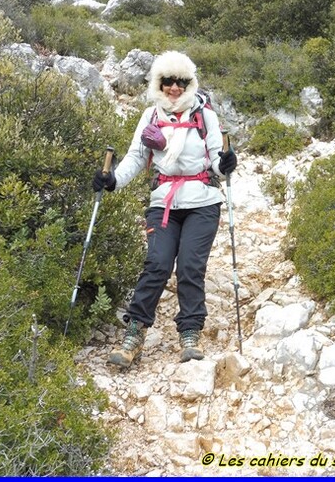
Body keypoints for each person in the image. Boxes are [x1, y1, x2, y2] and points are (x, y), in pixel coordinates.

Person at [92, 50, 237, 368]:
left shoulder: (204, 116)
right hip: (163, 202)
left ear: (190, 83)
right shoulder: (150, 116)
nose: (174, 88)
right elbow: (134, 158)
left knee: (189, 268)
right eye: (168, 81)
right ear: (159, 82)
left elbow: (218, 161)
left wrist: (226, 164)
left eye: (181, 82)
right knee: (156, 264)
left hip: (202, 202)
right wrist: (112, 179)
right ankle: (135, 334)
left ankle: (190, 333)